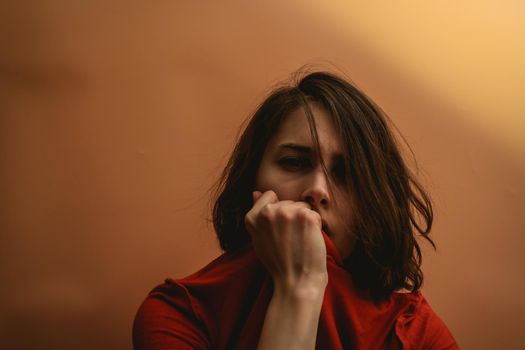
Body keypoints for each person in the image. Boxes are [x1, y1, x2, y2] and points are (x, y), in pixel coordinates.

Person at [133, 71, 458, 349]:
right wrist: (298, 291)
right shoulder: (179, 317)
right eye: (293, 162)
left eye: (346, 174)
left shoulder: (418, 336)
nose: (317, 189)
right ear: (252, 181)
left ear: (372, 204)